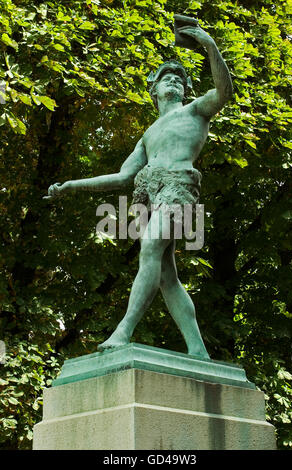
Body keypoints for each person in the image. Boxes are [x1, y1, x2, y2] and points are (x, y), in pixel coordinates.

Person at [44, 22, 233, 358]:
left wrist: (208, 45)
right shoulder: (147, 135)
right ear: (154, 91)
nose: (174, 81)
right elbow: (121, 177)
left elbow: (223, 92)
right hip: (150, 196)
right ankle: (197, 348)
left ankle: (123, 331)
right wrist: (71, 186)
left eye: (179, 79)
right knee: (165, 276)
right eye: (166, 78)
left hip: (178, 189)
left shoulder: (195, 111)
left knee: (149, 250)